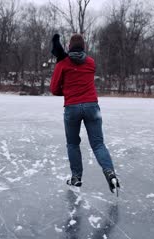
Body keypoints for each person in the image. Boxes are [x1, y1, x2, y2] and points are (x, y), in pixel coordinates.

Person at [50, 33, 120, 194]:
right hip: (92, 107)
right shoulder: (90, 62)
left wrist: (67, 90)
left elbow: (54, 89)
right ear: (84, 47)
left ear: (69, 47)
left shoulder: (63, 64)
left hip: (72, 108)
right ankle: (110, 173)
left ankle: (76, 177)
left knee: (73, 144)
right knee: (98, 144)